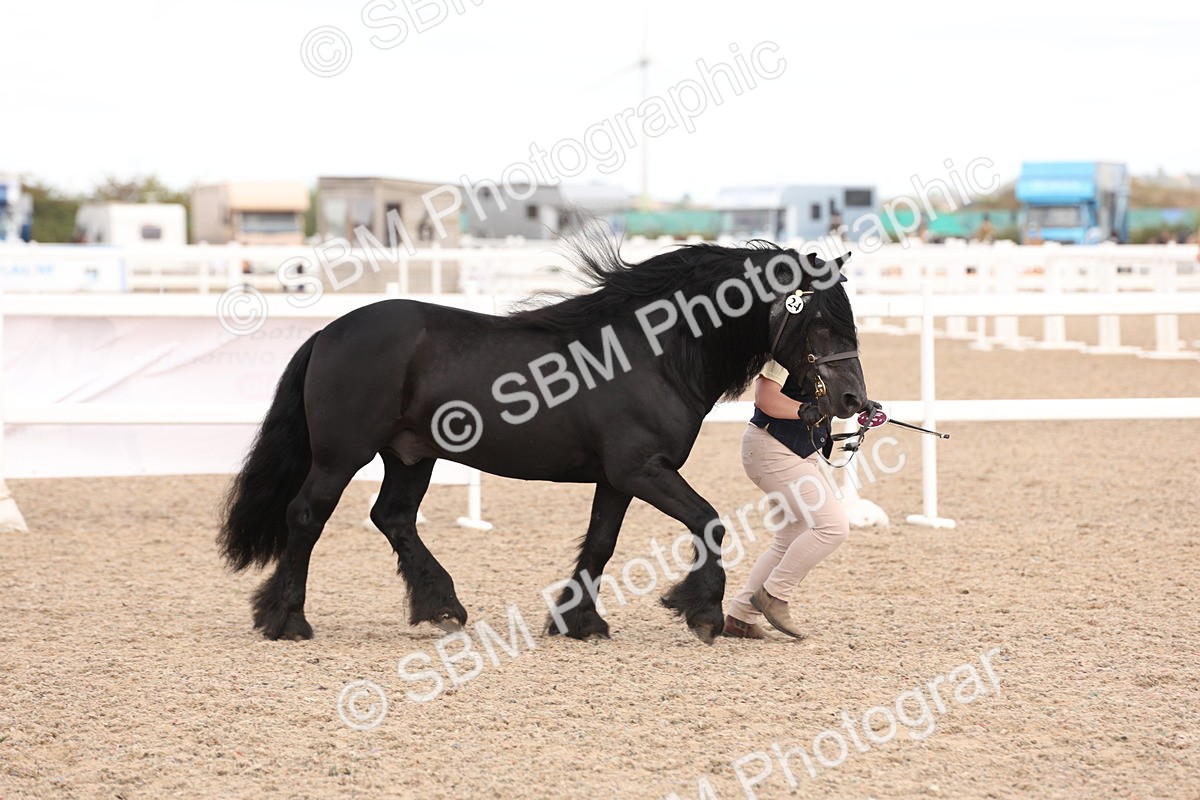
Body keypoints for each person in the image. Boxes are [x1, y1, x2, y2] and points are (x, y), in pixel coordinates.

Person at [724, 359, 851, 640]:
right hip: (772, 449)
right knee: (833, 527)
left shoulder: (827, 355)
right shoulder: (783, 355)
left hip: (798, 452)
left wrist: (860, 405)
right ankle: (774, 595)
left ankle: (740, 618)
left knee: (791, 538)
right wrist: (806, 410)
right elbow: (766, 399)